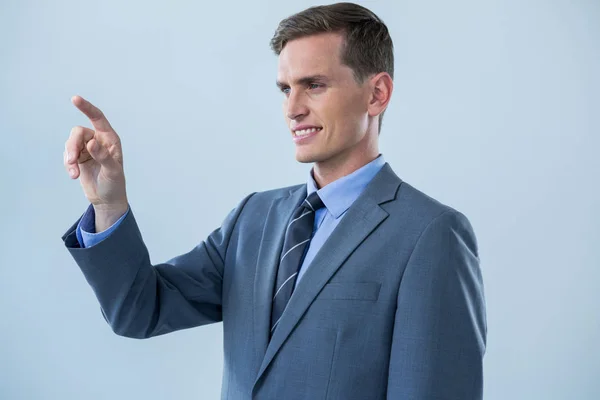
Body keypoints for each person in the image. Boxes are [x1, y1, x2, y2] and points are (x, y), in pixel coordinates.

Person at [61, 3, 487, 399]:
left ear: (376, 94)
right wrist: (108, 202)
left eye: (314, 85)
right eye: (285, 89)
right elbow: (139, 311)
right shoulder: (253, 219)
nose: (293, 108)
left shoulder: (430, 234)